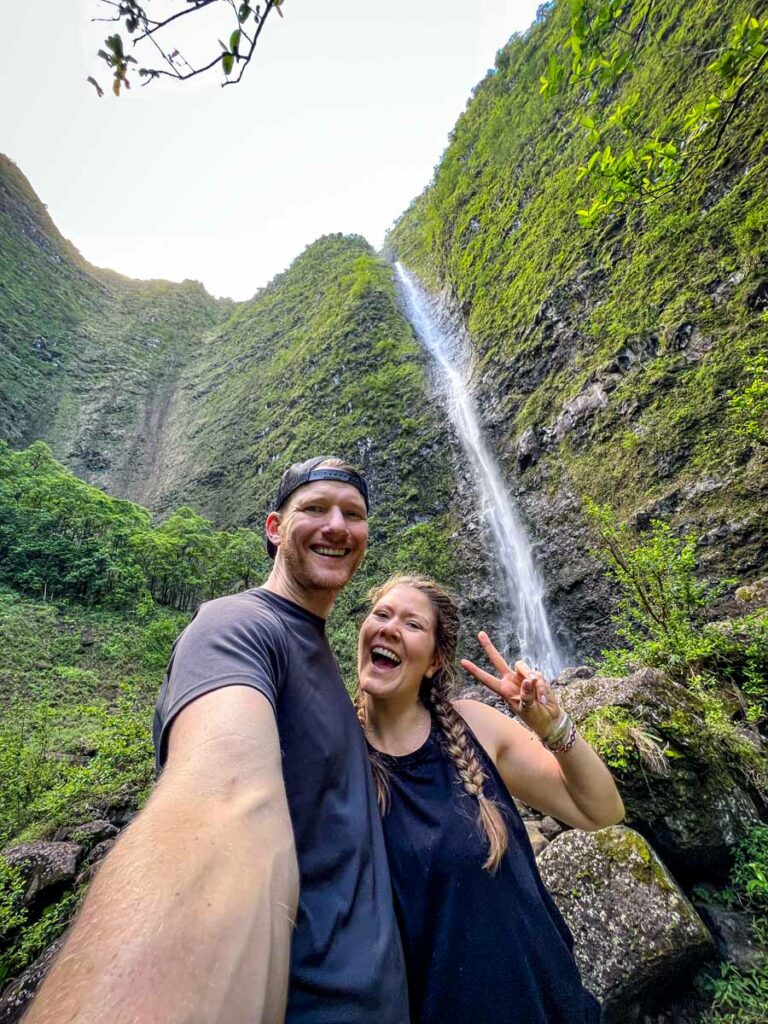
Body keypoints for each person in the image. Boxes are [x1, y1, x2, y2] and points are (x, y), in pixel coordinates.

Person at [25, 457, 409, 1024]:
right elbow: (225, 805)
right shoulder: (236, 627)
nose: (336, 525)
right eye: (315, 508)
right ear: (275, 528)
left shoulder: (322, 652)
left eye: (352, 513)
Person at [356, 573, 625, 1024]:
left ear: (434, 661)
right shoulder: (338, 756)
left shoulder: (474, 727)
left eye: (412, 624)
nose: (389, 628)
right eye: (381, 614)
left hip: (550, 1002)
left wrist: (552, 727)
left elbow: (601, 811)